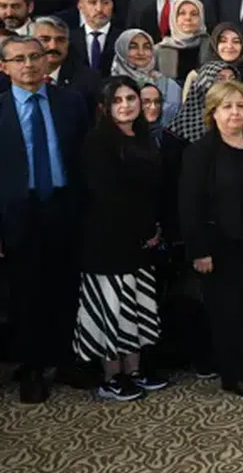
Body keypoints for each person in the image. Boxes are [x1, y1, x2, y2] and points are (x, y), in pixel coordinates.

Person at [0, 35, 91, 403]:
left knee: (66, 287)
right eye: (19, 59)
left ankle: (65, 360)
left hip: (64, 207)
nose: (29, 65)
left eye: (35, 56)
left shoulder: (71, 102)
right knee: (25, 294)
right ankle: (32, 368)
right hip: (17, 214)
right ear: (4, 67)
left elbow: (85, 160)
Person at [178, 80, 243, 397]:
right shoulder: (200, 151)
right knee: (227, 313)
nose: (234, 112)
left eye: (240, 106)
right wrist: (199, 250)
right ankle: (232, 374)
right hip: (219, 248)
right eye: (227, 107)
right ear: (213, 112)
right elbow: (189, 204)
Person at [72, 77, 169, 402]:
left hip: (141, 240)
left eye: (130, 98)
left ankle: (135, 370)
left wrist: (153, 228)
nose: (125, 105)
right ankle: (112, 377)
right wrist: (143, 230)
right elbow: (107, 194)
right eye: (117, 100)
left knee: (135, 306)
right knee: (111, 308)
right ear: (104, 107)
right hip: (107, 240)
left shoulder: (143, 136)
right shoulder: (97, 142)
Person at [110, 28, 181, 124]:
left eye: (147, 47)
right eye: (133, 47)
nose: (141, 53)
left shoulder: (169, 86)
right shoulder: (110, 86)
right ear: (121, 50)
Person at [154, 0, 208, 82]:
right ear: (174, 17)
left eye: (194, 14)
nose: (188, 18)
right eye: (182, 13)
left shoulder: (211, 46)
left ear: (201, 18)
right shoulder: (159, 49)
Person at [197, 22, 243, 92]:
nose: (229, 46)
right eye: (223, 41)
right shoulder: (199, 75)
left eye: (236, 41)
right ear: (214, 44)